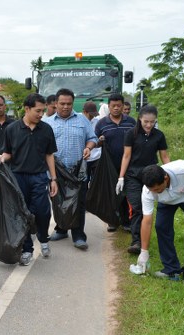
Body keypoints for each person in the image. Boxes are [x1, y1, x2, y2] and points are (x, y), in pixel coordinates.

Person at [0, 93, 58, 265]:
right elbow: (9, 153)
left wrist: (53, 179)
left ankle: (43, 238)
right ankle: (27, 249)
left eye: (43, 111)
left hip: (38, 177)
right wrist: (2, 158)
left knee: (43, 211)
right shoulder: (12, 129)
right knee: (23, 214)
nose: (41, 114)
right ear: (27, 108)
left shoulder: (46, 129)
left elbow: (49, 155)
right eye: (38, 111)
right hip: (18, 178)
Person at [130, 161, 184, 288]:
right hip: (168, 201)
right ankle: (171, 270)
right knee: (161, 227)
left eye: (157, 189)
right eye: (152, 190)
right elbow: (147, 221)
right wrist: (144, 251)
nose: (155, 192)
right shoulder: (148, 191)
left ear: (165, 178)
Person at [46, 88, 98, 250]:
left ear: (73, 103)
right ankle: (61, 229)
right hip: (55, 171)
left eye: (69, 104)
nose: (66, 107)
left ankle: (78, 235)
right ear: (56, 103)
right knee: (58, 202)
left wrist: (89, 147)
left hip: (78, 171)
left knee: (79, 204)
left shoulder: (83, 121)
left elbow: (92, 138)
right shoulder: (47, 123)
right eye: (62, 103)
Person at [117, 105, 170, 254]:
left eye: (152, 122)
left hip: (151, 176)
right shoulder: (131, 134)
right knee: (137, 207)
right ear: (140, 119)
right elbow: (126, 156)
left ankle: (145, 238)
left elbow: (164, 156)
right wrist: (121, 177)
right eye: (146, 121)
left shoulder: (159, 135)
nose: (148, 125)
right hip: (133, 176)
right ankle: (136, 242)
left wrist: (172, 173)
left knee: (148, 209)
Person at [94, 93, 136, 232]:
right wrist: (99, 141)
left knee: (126, 193)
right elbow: (95, 143)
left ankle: (126, 222)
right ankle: (112, 221)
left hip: (129, 164)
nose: (116, 108)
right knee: (111, 193)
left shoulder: (131, 122)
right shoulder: (101, 124)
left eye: (119, 105)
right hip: (109, 165)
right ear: (109, 106)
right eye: (113, 106)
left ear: (123, 106)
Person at [81, 101, 101, 183]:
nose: (92, 117)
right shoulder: (78, 121)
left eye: (94, 115)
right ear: (84, 112)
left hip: (96, 156)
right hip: (83, 158)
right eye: (90, 115)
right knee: (83, 181)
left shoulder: (97, 122)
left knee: (96, 181)